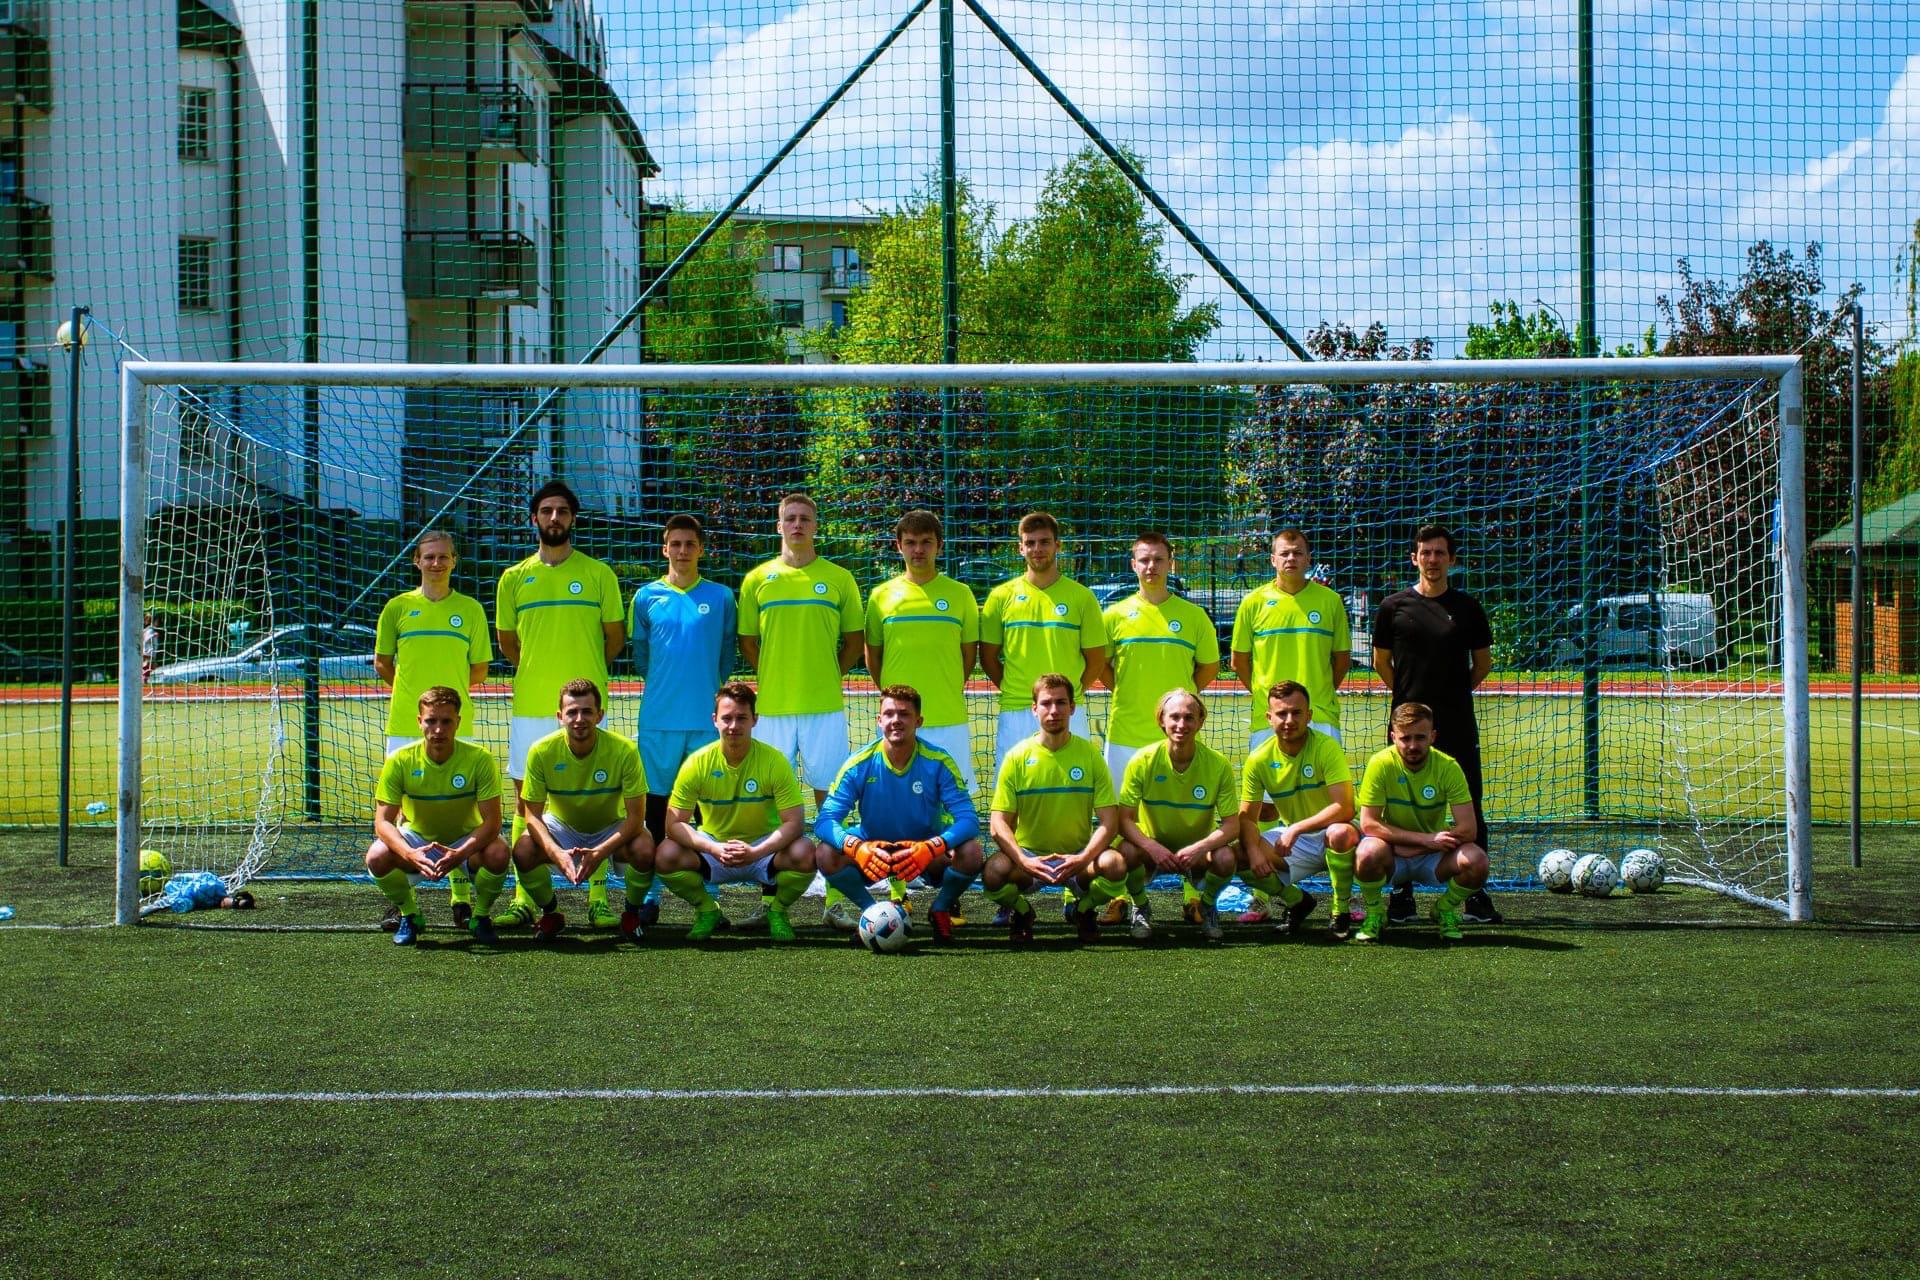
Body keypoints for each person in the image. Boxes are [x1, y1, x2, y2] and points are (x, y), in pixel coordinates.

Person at [494, 480, 626, 931]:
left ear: (573, 519)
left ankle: (598, 898)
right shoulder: (513, 578)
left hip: (587, 706)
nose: (555, 518)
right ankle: (523, 899)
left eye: (563, 511)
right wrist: (541, 672)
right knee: (524, 803)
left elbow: (614, 638)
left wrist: (583, 679)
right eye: (547, 510)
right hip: (533, 706)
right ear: (534, 518)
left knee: (599, 803)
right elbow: (508, 644)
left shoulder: (599, 574)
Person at [737, 493, 864, 930]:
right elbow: (748, 643)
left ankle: (834, 900)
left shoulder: (840, 579)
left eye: (804, 519)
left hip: (824, 708)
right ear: (779, 526)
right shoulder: (757, 579)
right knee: (771, 804)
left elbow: (853, 642)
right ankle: (771, 900)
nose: (797, 525)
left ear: (815, 525)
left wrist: (826, 674)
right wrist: (776, 676)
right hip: (773, 709)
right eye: (789, 518)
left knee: (831, 803)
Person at [1371, 524, 1501, 926]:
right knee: (1398, 805)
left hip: (1457, 723)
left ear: (1452, 559)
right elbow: (1381, 662)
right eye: (1425, 552)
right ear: (1414, 558)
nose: (1432, 559)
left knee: (1470, 803)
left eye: (1439, 553)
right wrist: (1409, 701)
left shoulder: (1468, 608)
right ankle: (1401, 893)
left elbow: (1482, 664)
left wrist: (1452, 697)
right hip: (1407, 726)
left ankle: (1474, 894)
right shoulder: (1393, 607)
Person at [372, 529, 493, 930]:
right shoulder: (397, 608)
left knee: (461, 811)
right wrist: (417, 700)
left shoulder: (471, 609)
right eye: (429, 557)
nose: (436, 563)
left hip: (457, 723)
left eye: (444, 556)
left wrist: (444, 705)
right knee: (406, 815)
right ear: (417, 561)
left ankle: (461, 895)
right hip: (405, 724)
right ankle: (404, 904)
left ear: (454, 561)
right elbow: (382, 662)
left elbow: (479, 669)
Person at [1228, 528, 1350, 923]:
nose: (1291, 558)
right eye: (1284, 553)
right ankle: (1261, 899)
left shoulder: (1330, 601)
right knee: (1262, 808)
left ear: (1308, 558)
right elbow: (1240, 662)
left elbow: (1341, 659)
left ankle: (1344, 896)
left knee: (1334, 809)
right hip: (1268, 719)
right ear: (1272, 559)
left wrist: (1313, 701)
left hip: (1320, 715)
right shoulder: (1253, 602)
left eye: (1298, 552)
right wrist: (1272, 703)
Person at [1099, 530, 1220, 926]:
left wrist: (1177, 706)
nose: (1151, 566)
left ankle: (1193, 897)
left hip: (1177, 735)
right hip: (1125, 734)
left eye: (1158, 559)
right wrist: (1133, 695)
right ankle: (1122, 897)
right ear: (1133, 565)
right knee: (1120, 821)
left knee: (1190, 818)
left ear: (1171, 563)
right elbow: (1102, 668)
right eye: (1144, 559)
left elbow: (1209, 667)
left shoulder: (1193, 616)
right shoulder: (1113, 616)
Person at [864, 509, 981, 917]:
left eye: (926, 542)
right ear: (899, 547)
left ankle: (950, 896)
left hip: (947, 717)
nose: (918, 550)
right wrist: (898, 701)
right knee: (894, 805)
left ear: (939, 546)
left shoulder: (961, 595)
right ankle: (897, 890)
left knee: (951, 809)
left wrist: (942, 689)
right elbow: (874, 657)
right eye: (911, 543)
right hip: (899, 720)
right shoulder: (881, 596)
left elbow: (968, 656)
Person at [628, 514, 737, 927]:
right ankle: (650, 895)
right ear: (665, 549)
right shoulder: (646, 597)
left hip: (705, 721)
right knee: (656, 809)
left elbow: (725, 655)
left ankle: (710, 899)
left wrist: (703, 687)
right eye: (675, 544)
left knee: (706, 811)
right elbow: (642, 657)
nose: (682, 551)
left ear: (701, 549)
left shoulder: (722, 597)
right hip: (658, 721)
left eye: (690, 544)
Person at [813, 685, 985, 943]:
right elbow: (825, 821)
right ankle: (872, 914)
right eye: (889, 714)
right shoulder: (859, 763)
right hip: (875, 850)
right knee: (825, 853)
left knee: (971, 852)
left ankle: (940, 908)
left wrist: (932, 846)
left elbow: (969, 820)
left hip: (923, 852)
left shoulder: (938, 761)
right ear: (879, 720)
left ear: (919, 721)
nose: (896, 720)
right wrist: (857, 848)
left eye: (904, 714)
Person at [655, 682, 815, 942]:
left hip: (763, 849)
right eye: (727, 718)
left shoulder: (774, 761)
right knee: (666, 855)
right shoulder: (696, 763)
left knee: (805, 852)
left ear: (755, 720)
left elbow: (795, 823)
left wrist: (756, 852)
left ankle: (777, 911)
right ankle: (707, 910)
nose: (733, 725)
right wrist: (713, 848)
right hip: (715, 848)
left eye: (742, 718)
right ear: (714, 720)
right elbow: (673, 825)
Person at [511, 679, 653, 945]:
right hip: (563, 827)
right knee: (523, 850)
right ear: (560, 716)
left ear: (600, 715)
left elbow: (635, 818)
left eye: (587, 711)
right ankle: (551, 914)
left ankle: (632, 913)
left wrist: (600, 852)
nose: (579, 719)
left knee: (645, 848)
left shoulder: (625, 750)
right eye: (572, 712)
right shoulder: (541, 751)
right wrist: (556, 852)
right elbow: (532, 816)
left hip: (610, 827)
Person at [365, 686, 510, 946]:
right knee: (376, 855)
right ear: (419, 722)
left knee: (499, 852)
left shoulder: (480, 759)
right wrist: (410, 853)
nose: (439, 729)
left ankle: (480, 917)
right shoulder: (399, 760)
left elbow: (492, 823)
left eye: (446, 721)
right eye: (431, 721)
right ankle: (410, 915)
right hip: (419, 842)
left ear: (458, 722)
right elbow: (383, 822)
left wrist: (460, 853)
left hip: (465, 842)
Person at [983, 674, 1119, 945]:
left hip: (1078, 857)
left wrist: (1083, 858)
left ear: (1072, 708)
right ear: (1034, 709)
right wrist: (1024, 860)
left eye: (1061, 702)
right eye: (1046, 703)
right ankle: (1023, 912)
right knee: (993, 872)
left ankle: (1084, 910)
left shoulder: (1090, 755)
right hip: (1031, 859)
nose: (1054, 710)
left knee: (1114, 864)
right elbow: (997, 823)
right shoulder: (1017, 757)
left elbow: (1110, 821)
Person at [1351, 701, 1489, 942]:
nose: (1413, 745)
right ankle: (1375, 913)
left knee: (1477, 861)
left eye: (1420, 737)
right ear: (1393, 737)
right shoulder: (1380, 764)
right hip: (1393, 854)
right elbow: (1369, 824)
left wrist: (1422, 846)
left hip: (1431, 856)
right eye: (1405, 738)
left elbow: (1469, 830)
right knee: (1367, 853)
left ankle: (1444, 909)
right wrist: (1425, 840)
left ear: (1432, 736)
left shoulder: (1448, 767)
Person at [981, 512, 1108, 771]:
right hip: (1016, 709)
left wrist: (1069, 695)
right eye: (1030, 543)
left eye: (1044, 542)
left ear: (1057, 545)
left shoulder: (1082, 597)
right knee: (1014, 787)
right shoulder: (1000, 596)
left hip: (1068, 712)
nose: (1037, 549)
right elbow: (988, 658)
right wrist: (1015, 688)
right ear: (1020, 548)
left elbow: (1096, 660)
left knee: (1073, 785)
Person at [1237, 680, 1360, 940]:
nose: (1289, 720)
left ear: (1309, 715)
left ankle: (1341, 911)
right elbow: (1247, 818)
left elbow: (1345, 808)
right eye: (1282, 713)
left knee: (1339, 833)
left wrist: (1296, 828)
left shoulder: (1326, 747)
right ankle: (1297, 901)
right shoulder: (1258, 759)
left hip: (1343, 834)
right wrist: (1254, 852)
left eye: (1296, 712)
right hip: (1299, 840)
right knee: (1238, 854)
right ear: (1269, 718)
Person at [1113, 689, 1237, 941]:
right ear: (1162, 720)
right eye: (1175, 717)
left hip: (1197, 856)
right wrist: (1152, 847)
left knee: (1226, 857)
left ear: (1201, 721)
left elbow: (1232, 825)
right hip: (1153, 853)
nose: (1182, 724)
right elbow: (1124, 819)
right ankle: (1141, 907)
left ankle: (1208, 906)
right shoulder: (1142, 761)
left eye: (1189, 717)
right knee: (1125, 851)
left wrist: (1200, 848)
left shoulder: (1218, 764)